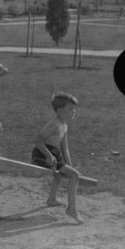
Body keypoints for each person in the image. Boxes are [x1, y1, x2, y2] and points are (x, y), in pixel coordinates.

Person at [31, 92, 84, 224]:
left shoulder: (64, 125)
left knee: (66, 173)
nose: (74, 112)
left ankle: (52, 199)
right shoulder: (54, 124)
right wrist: (48, 156)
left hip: (55, 153)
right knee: (73, 175)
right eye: (70, 109)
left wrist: (70, 166)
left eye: (74, 109)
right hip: (42, 154)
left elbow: (65, 149)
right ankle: (71, 209)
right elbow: (37, 139)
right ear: (60, 111)